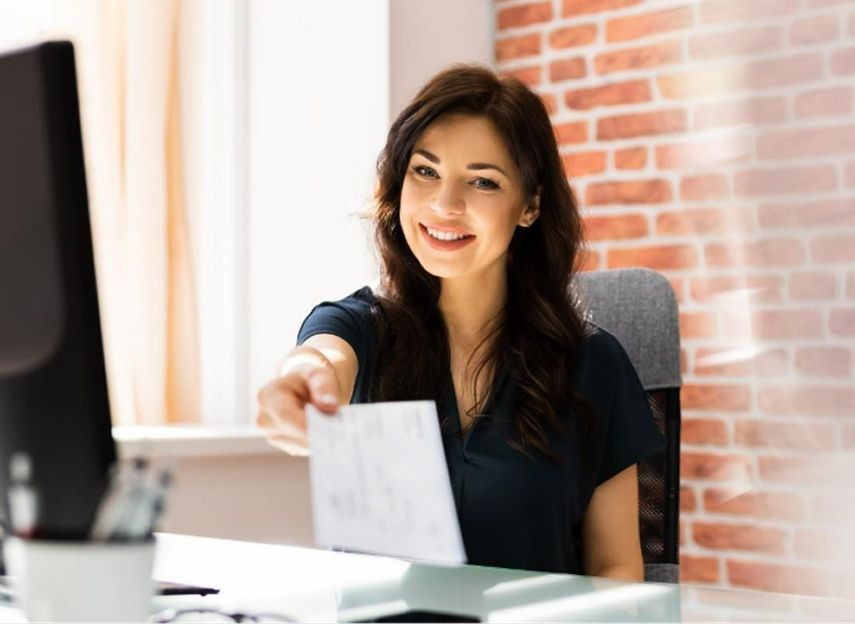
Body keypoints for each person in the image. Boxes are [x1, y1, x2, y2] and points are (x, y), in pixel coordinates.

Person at [255, 65, 664, 580]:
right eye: (425, 171)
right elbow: (322, 357)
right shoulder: (359, 327)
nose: (445, 206)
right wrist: (300, 381)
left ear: (530, 205)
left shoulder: (592, 363)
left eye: (482, 182)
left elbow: (616, 566)